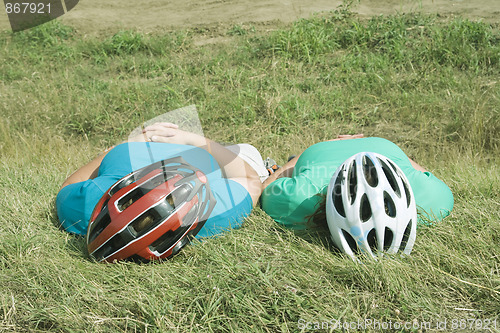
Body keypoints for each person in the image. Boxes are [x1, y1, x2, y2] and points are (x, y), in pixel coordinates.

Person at [56, 123, 265, 260]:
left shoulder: (211, 213)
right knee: (248, 150)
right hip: (180, 152)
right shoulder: (213, 213)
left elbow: (68, 186)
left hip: (165, 151)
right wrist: (194, 139)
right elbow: (250, 179)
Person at [260, 135, 454, 238]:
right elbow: (413, 168)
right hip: (380, 146)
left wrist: (308, 154)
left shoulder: (299, 199)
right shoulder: (435, 200)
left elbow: (271, 181)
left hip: (332, 149)